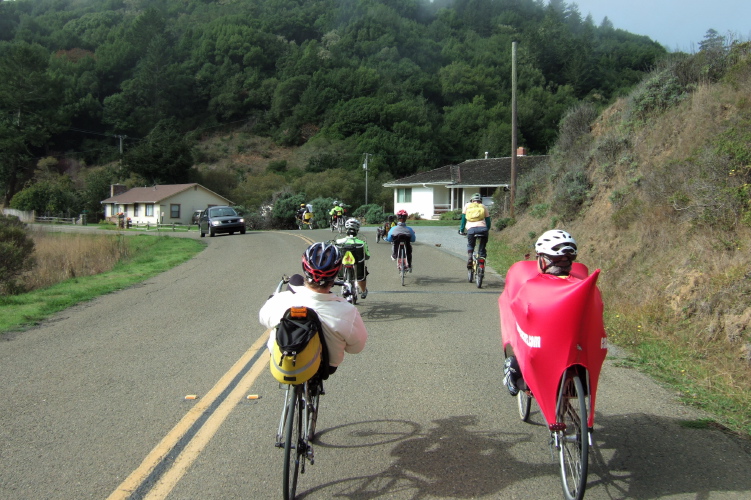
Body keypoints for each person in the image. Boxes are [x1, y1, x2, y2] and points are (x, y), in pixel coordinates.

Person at [259, 242, 368, 381]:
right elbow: (356, 348)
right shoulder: (347, 311)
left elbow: (263, 318)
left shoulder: (281, 300)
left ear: (305, 268)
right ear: (337, 271)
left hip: (281, 365)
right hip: (324, 367)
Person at [502, 229, 578, 396]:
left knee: (518, 341)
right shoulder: (581, 283)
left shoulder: (531, 284)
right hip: (574, 345)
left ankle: (511, 370)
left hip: (539, 344)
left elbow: (517, 313)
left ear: (543, 260)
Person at [334, 218, 371, 299]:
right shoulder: (362, 243)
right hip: (358, 266)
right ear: (357, 230)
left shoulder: (338, 242)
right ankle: (364, 291)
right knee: (362, 273)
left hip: (342, 266)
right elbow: (367, 256)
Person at [459, 193, 490, 269]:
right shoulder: (483, 207)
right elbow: (488, 221)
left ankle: (470, 257)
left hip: (471, 230)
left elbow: (463, 220)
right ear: (480, 201)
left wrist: (461, 230)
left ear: (472, 200)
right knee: (482, 247)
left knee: (470, 244)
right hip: (483, 229)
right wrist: (487, 230)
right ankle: (482, 262)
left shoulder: (467, 206)